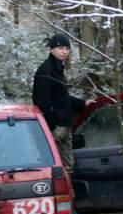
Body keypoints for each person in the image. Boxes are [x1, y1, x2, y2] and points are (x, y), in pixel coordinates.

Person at [32, 32, 85, 175]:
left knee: (68, 167)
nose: (64, 51)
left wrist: (83, 104)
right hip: (57, 127)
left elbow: (62, 97)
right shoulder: (45, 70)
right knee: (55, 167)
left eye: (67, 49)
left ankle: (70, 193)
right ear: (51, 49)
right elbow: (41, 102)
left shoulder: (58, 68)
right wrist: (53, 125)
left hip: (65, 125)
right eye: (60, 48)